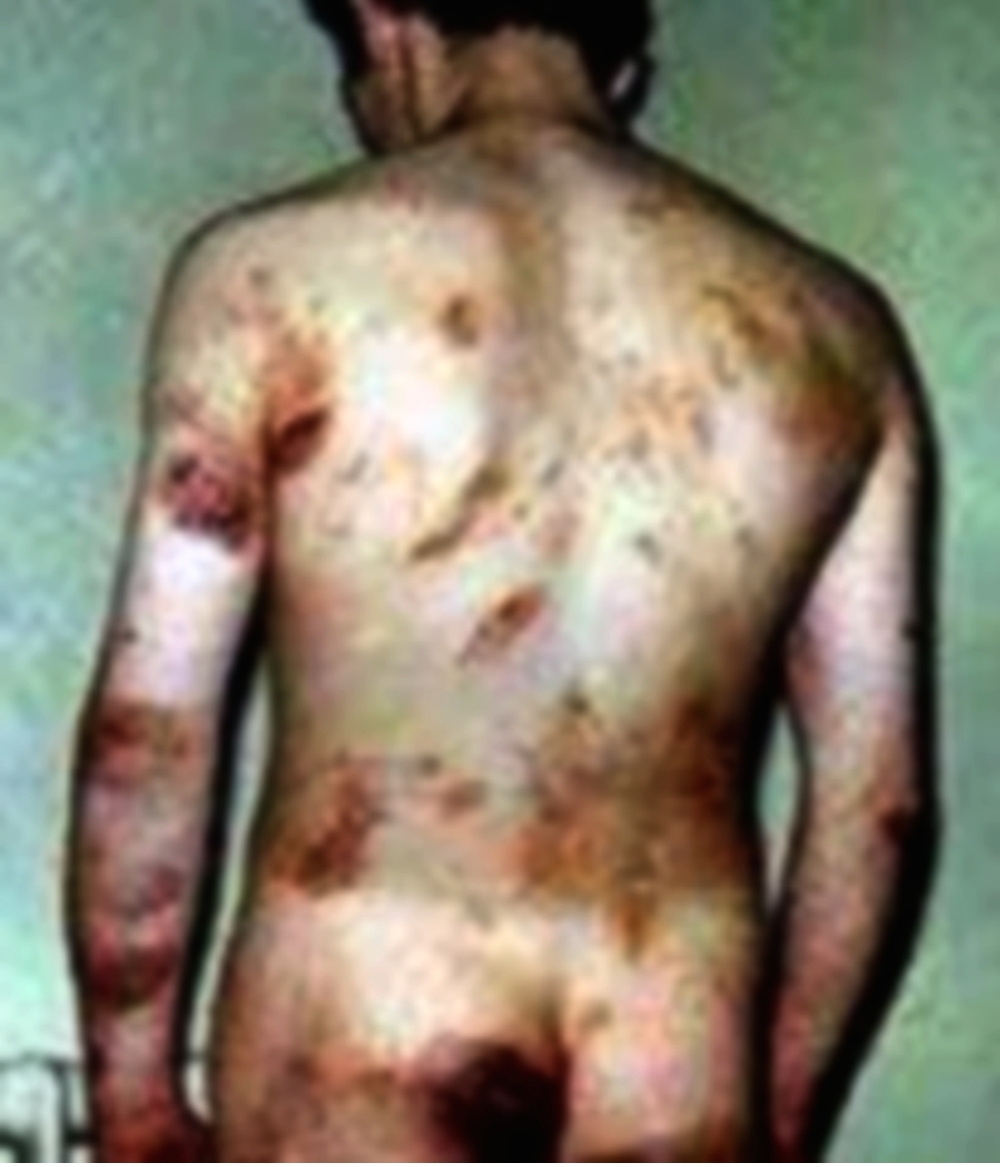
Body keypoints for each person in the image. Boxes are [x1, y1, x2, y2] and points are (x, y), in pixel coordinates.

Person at [64, 0, 941, 1160]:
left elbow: (147, 739)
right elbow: (877, 806)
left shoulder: (262, 273)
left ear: (384, 25)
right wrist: (778, 1118)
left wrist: (131, 1099)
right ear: (619, 65)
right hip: (668, 1040)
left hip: (364, 1017)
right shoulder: (839, 329)